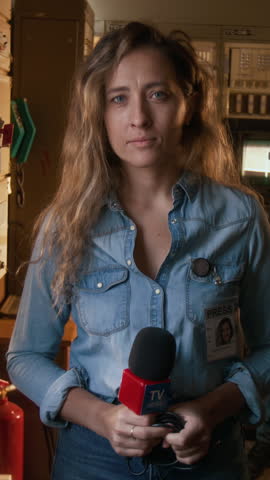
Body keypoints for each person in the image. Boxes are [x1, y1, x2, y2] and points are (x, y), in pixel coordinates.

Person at [6, 21, 270, 480]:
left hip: (210, 458)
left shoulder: (239, 217)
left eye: (158, 94)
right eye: (118, 98)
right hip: (93, 459)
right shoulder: (66, 224)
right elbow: (25, 357)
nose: (139, 119)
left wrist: (210, 409)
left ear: (189, 103)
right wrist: (101, 417)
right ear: (100, 114)